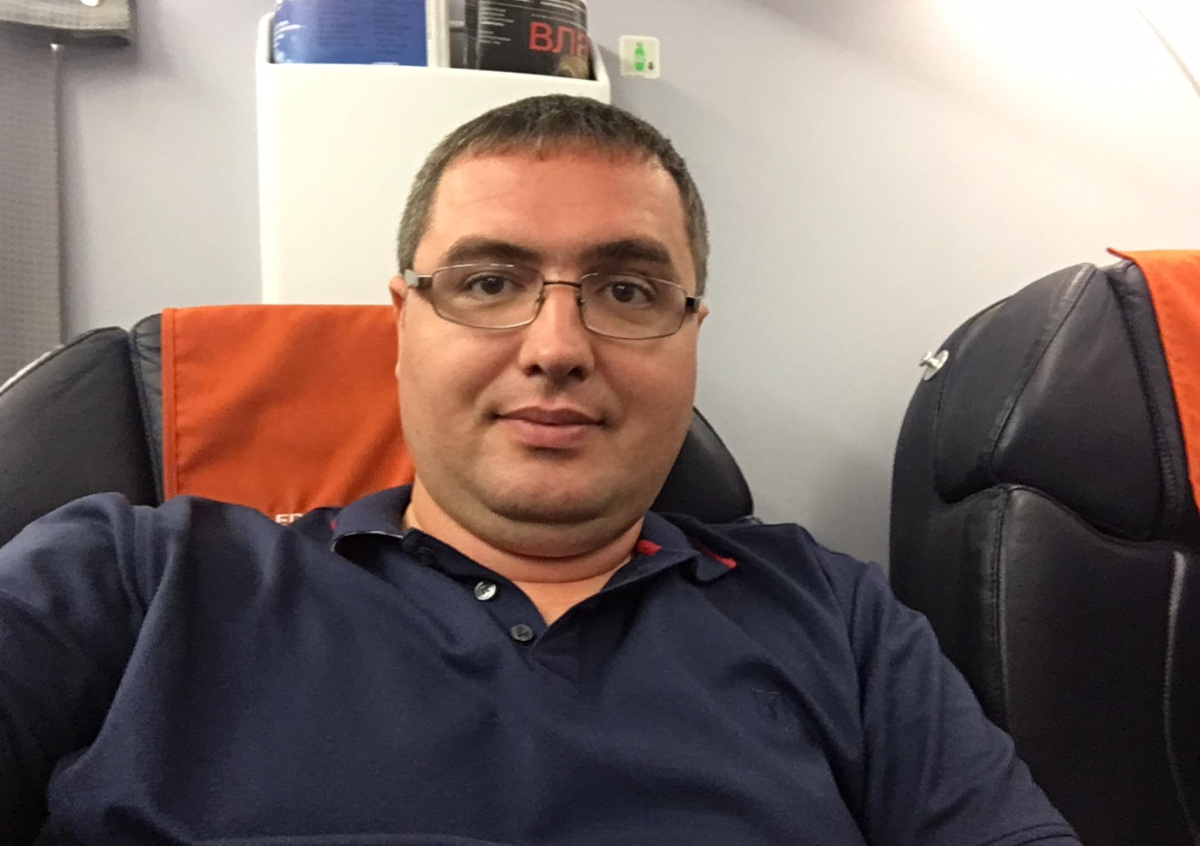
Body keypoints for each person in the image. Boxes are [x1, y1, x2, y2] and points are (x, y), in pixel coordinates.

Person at [0, 95, 1080, 845]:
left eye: (627, 291)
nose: (557, 346)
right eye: (487, 282)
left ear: (691, 336)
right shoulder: (133, 578)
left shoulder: (838, 620)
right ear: (401, 325)